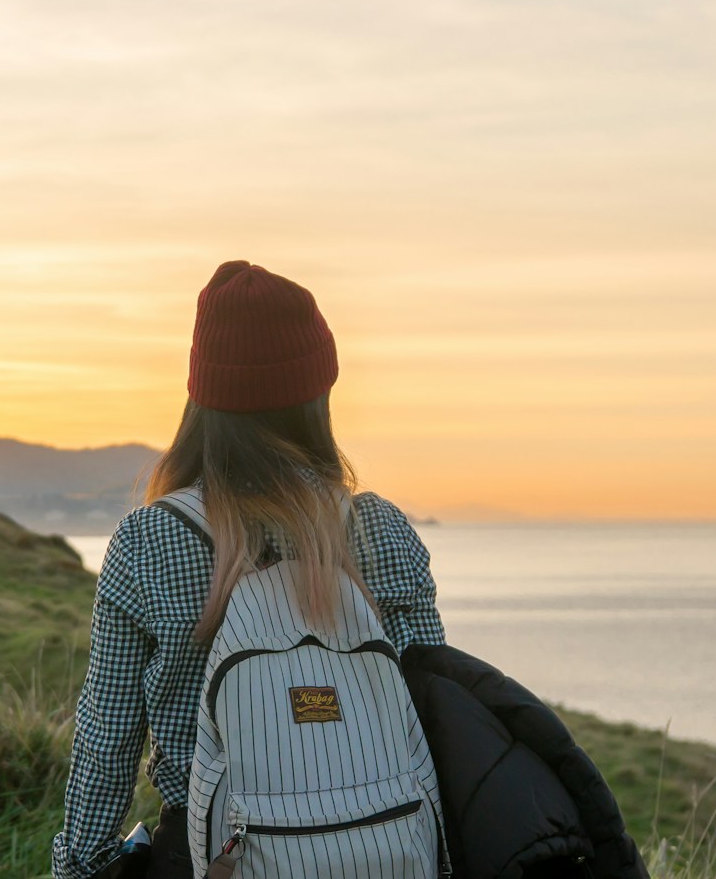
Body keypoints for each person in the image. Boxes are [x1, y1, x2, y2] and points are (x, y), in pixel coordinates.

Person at [50, 260, 447, 879]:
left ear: (203, 398)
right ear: (318, 395)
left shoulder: (151, 541)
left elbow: (108, 740)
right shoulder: (380, 532)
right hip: (387, 849)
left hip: (211, 857)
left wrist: (80, 868)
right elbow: (439, 718)